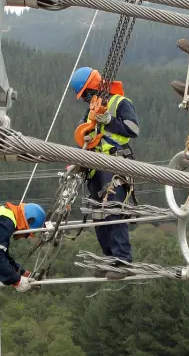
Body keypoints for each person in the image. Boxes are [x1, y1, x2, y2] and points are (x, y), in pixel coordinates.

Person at [68, 66, 140, 280]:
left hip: (114, 165)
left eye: (87, 94)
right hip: (94, 168)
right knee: (98, 215)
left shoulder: (120, 102)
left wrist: (109, 120)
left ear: (94, 87)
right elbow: (84, 131)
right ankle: (110, 259)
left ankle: (123, 260)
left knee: (112, 210)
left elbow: (133, 130)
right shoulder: (91, 108)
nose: (87, 100)